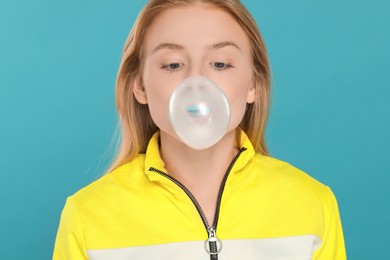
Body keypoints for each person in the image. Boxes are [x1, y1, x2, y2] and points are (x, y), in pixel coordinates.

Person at [53, 0, 346, 259]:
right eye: (172, 65)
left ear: (253, 85)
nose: (196, 82)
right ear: (140, 86)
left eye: (220, 64)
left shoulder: (312, 204)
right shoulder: (88, 216)